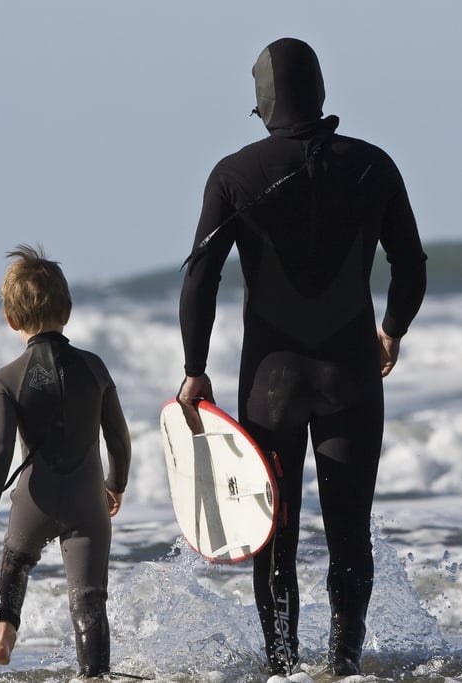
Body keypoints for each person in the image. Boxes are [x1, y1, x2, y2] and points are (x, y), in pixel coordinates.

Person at [177, 38, 427, 677]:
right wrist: (391, 329)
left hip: (271, 385)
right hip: (351, 373)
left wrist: (194, 368)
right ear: (319, 93)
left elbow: (199, 279)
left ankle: (283, 668)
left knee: (275, 538)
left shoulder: (234, 174)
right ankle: (343, 665)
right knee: (350, 531)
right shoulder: (373, 167)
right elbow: (411, 265)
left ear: (262, 103)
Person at [0, 244, 131, 677]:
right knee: (89, 598)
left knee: (16, 560)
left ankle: (3, 634)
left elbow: (0, 447)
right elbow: (117, 435)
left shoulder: (7, 378)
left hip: (34, 501)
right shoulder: (94, 368)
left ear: (11, 319)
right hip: (87, 505)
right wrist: (116, 484)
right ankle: (94, 673)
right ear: (69, 309)